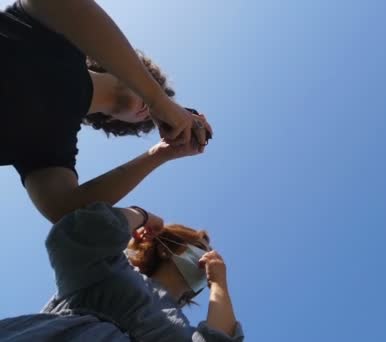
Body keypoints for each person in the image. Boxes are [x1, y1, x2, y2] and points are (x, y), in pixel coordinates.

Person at [0, 1, 212, 222]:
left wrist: (162, 153)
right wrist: (156, 98)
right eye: (154, 88)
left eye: (145, 120)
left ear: (115, 120)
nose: (151, 113)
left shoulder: (53, 146)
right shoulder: (60, 40)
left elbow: (65, 212)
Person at [0, 202, 244, 341]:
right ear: (167, 250)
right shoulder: (114, 270)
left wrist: (219, 282)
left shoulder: (182, 329)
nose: (208, 255)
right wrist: (142, 215)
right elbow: (77, 236)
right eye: (201, 248)